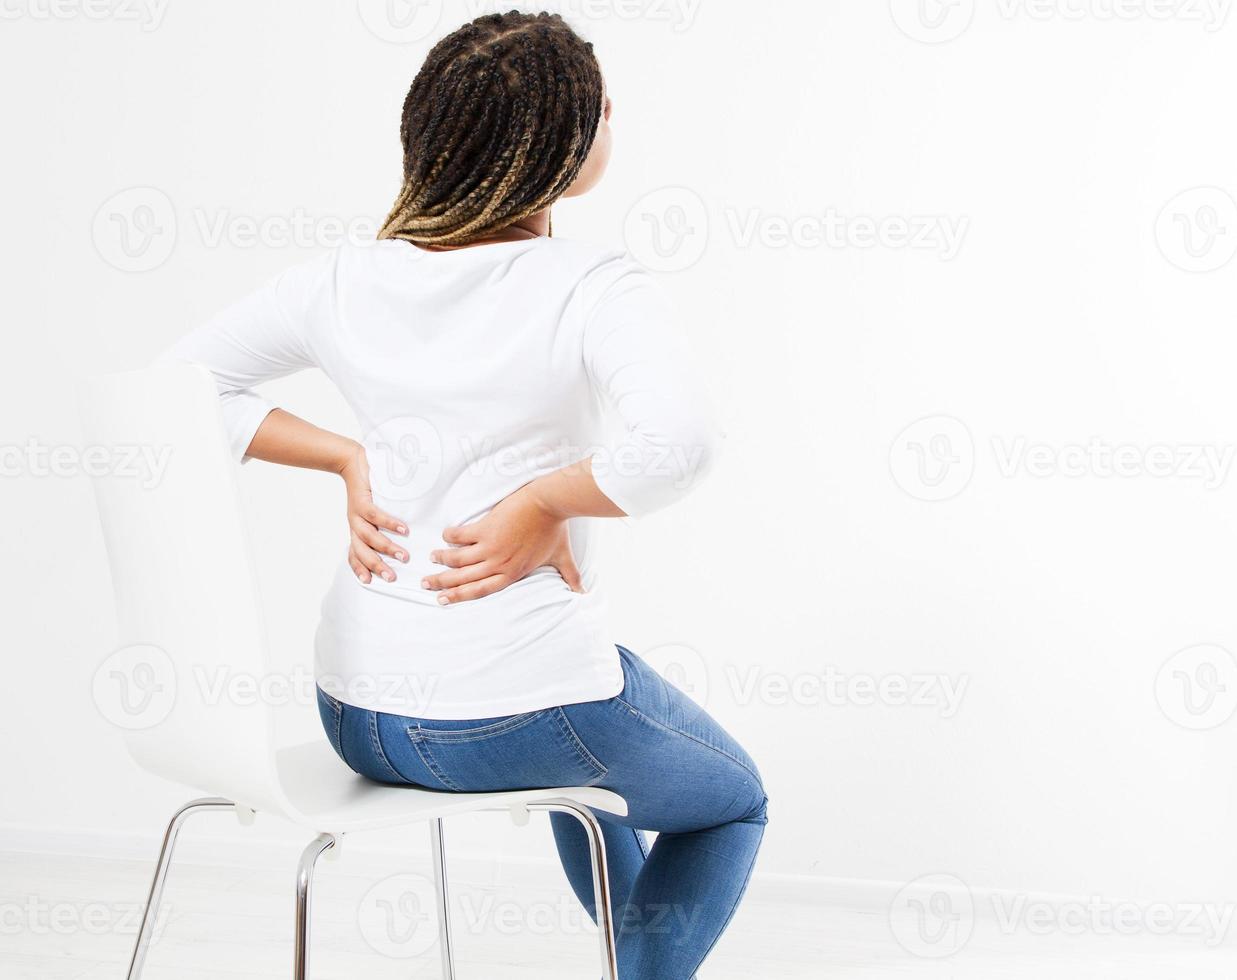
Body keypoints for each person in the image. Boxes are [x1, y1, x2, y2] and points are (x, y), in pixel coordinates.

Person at [159, 12, 766, 978]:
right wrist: (543, 502)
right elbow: (681, 445)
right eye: (600, 106)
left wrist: (342, 457)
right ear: (563, 149)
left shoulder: (341, 280)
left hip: (358, 716)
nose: (615, 115)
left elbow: (175, 388)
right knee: (732, 800)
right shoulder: (590, 286)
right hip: (514, 721)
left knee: (592, 738)